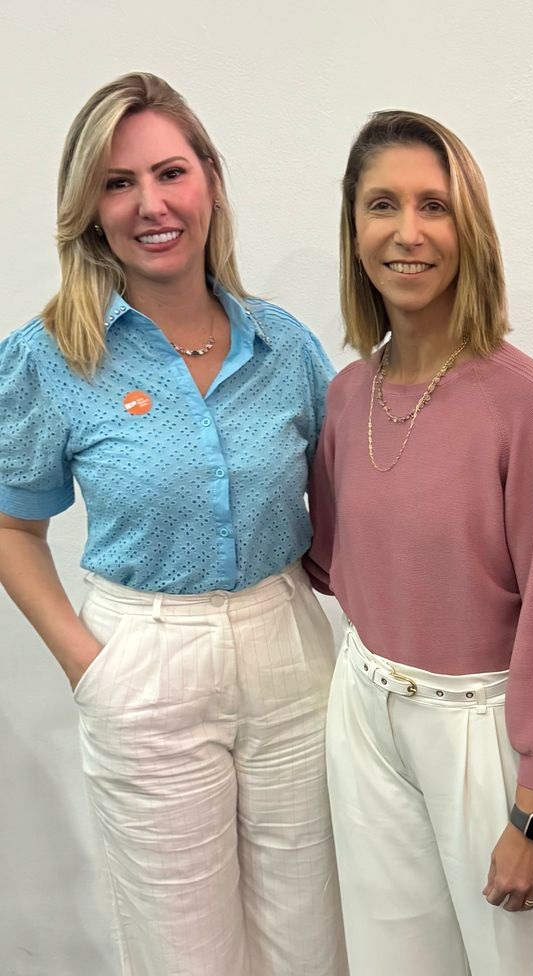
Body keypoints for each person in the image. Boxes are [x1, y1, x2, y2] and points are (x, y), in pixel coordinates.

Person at [0, 73, 347, 976]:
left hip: (288, 652)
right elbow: (10, 525)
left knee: (312, 939)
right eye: (118, 184)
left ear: (211, 183)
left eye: (169, 172)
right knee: (181, 953)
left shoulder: (284, 346)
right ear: (88, 209)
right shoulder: (52, 356)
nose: (149, 204)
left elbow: (350, 504)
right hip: (144, 660)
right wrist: (90, 667)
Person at [305, 110, 533, 976]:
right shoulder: (346, 394)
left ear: (467, 227)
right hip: (364, 706)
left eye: (433, 206)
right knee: (392, 960)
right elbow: (331, 560)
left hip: (488, 730)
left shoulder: (527, 401)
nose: (407, 233)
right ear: (353, 227)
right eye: (381, 205)